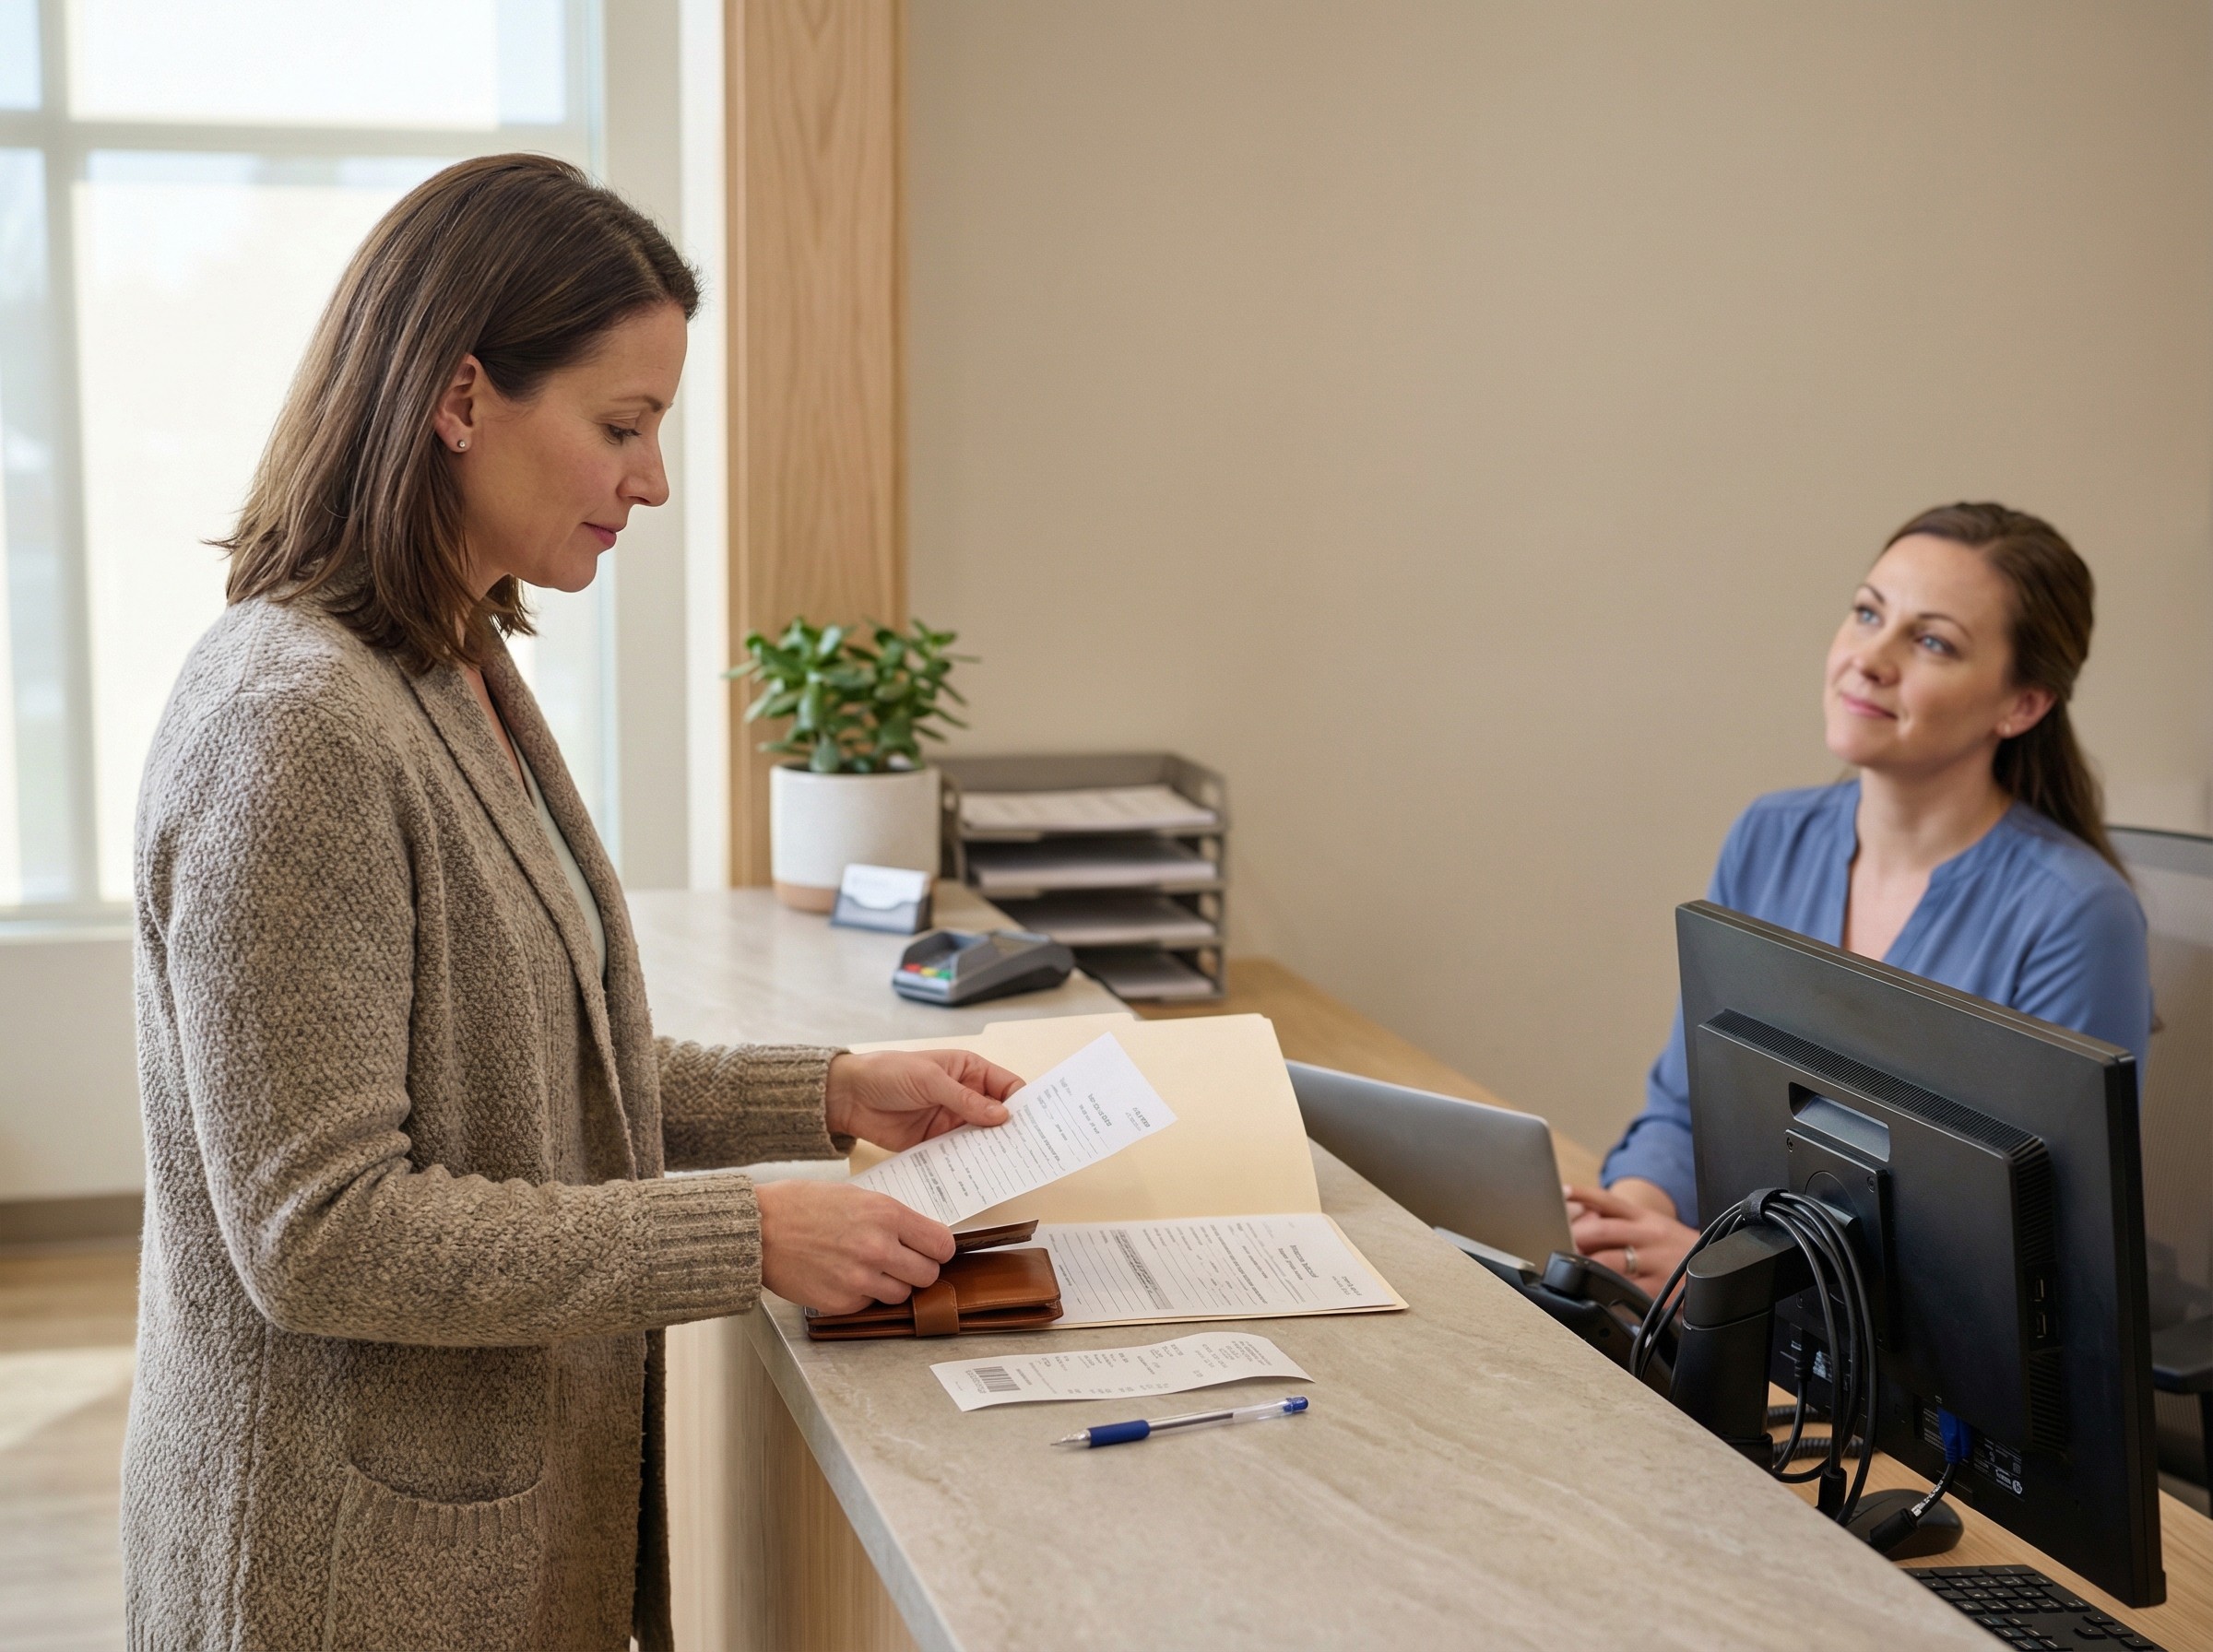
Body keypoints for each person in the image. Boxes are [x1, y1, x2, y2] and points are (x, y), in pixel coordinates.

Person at [122, 155, 1016, 1652]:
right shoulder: (292, 726)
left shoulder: (449, 663)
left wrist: (831, 1091)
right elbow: (321, 1230)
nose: (651, 481)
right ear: (459, 398)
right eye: (622, 426)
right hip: (341, 1578)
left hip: (473, 1539)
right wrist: (741, 1232)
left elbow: (538, 1068)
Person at [1568, 502, 2149, 1289]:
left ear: (2023, 705)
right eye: (1868, 613)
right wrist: (1625, 1223)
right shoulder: (1769, 836)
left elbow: (2035, 1260)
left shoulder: (2076, 916)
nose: (1869, 659)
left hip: (1889, 1356)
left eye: (1933, 642)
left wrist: (1736, 1271)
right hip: (1733, 1307)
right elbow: (1684, 1110)